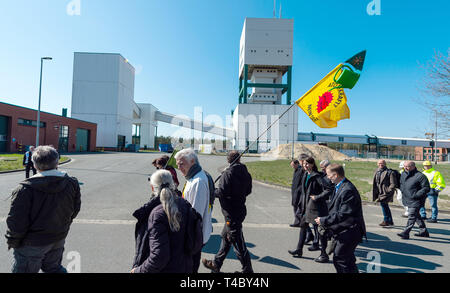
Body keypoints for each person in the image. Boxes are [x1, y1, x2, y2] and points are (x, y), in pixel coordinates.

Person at [6, 146, 81, 273]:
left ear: (34, 165)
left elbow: (16, 222)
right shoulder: (71, 183)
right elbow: (75, 210)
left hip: (32, 242)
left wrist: (13, 241)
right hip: (58, 237)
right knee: (53, 268)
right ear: (57, 162)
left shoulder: (25, 189)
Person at [131, 170, 193, 273]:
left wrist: (138, 270)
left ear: (152, 188)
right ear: (173, 184)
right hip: (184, 267)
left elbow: (159, 257)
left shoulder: (156, 213)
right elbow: (196, 241)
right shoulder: (185, 204)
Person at [202, 151, 253, 273]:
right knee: (226, 237)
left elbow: (222, 192)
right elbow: (248, 191)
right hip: (239, 210)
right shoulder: (246, 173)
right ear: (239, 159)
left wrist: (211, 191)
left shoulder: (227, 173)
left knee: (238, 243)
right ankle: (216, 264)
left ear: (228, 160)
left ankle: (247, 270)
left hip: (231, 214)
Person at [315, 164, 366, 273]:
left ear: (335, 175)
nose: (327, 177)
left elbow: (343, 214)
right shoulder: (339, 186)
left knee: (340, 259)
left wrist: (324, 220)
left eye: (329, 175)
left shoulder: (348, 190)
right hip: (344, 231)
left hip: (350, 232)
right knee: (348, 260)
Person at [289, 157, 332, 263]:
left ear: (312, 164)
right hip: (306, 207)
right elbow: (304, 192)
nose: (305, 165)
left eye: (307, 164)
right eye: (304, 164)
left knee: (321, 231)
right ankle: (299, 250)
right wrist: (301, 204)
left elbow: (328, 190)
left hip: (316, 209)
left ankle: (324, 254)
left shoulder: (317, 176)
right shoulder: (305, 174)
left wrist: (317, 197)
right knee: (303, 227)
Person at [175, 148, 212, 273]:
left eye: (181, 164)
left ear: (192, 161)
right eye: (177, 165)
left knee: (190, 268)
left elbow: (195, 216)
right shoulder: (194, 177)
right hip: (193, 236)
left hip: (193, 238)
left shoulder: (198, 182)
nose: (179, 168)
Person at [397, 161, 430, 240]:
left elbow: (426, 188)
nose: (405, 168)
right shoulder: (403, 174)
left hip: (417, 200)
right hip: (407, 198)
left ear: (413, 166)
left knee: (411, 215)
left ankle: (406, 232)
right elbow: (401, 184)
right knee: (416, 216)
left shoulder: (420, 176)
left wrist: (416, 195)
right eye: (404, 166)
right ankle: (424, 231)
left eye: (407, 166)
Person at [372, 159, 397, 227]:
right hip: (379, 192)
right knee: (385, 206)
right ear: (377, 164)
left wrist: (388, 191)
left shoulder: (390, 172)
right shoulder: (377, 171)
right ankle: (390, 221)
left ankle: (386, 221)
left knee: (384, 205)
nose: (381, 164)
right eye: (379, 163)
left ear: (385, 164)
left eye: (382, 163)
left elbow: (393, 183)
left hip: (386, 192)